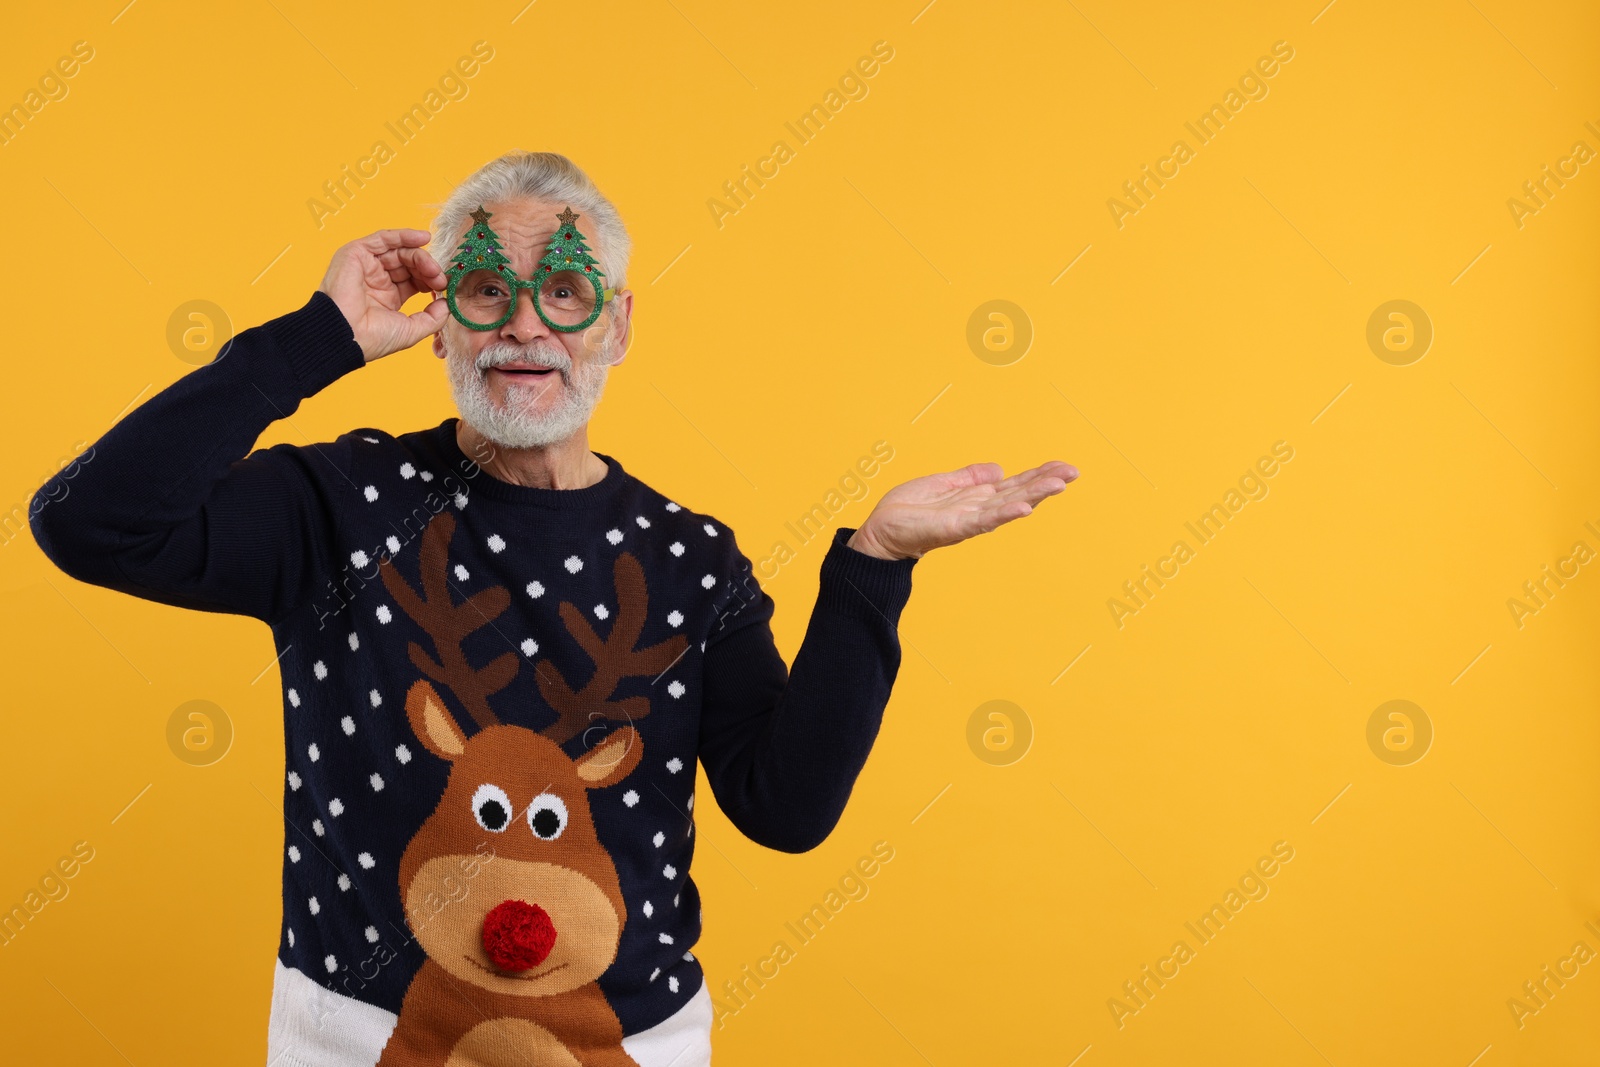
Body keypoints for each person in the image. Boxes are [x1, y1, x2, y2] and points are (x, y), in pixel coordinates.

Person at [29, 151, 1077, 1067]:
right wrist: (316, 339)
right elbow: (86, 521)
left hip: (625, 1044)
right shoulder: (336, 507)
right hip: (366, 1039)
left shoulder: (689, 558)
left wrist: (876, 566)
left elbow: (785, 808)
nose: (525, 323)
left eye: (566, 293)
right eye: (486, 288)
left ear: (617, 325)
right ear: (440, 322)